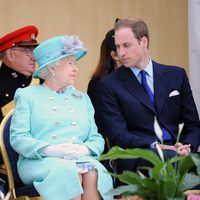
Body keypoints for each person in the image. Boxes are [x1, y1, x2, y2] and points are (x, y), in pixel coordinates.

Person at [97, 18, 200, 185]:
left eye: (126, 45)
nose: (120, 52)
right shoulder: (109, 85)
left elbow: (193, 125)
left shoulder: (176, 75)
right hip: (140, 157)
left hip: (180, 152)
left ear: (143, 41)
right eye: (117, 46)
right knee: (169, 161)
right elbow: (118, 136)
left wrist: (188, 147)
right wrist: (155, 146)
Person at [10, 35, 113, 200]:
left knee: (94, 172)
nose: (76, 69)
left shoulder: (83, 99)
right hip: (40, 161)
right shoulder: (27, 95)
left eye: (75, 63)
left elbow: (96, 138)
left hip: (80, 158)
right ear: (52, 67)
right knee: (71, 174)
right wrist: (50, 149)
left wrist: (85, 149)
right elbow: (18, 138)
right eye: (70, 63)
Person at [87, 29, 122, 154]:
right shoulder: (98, 84)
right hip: (114, 150)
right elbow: (99, 125)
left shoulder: (138, 78)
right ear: (115, 55)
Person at [0, 25, 39, 123]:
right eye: (28, 52)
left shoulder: (43, 81)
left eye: (35, 52)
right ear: (10, 54)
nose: (34, 58)